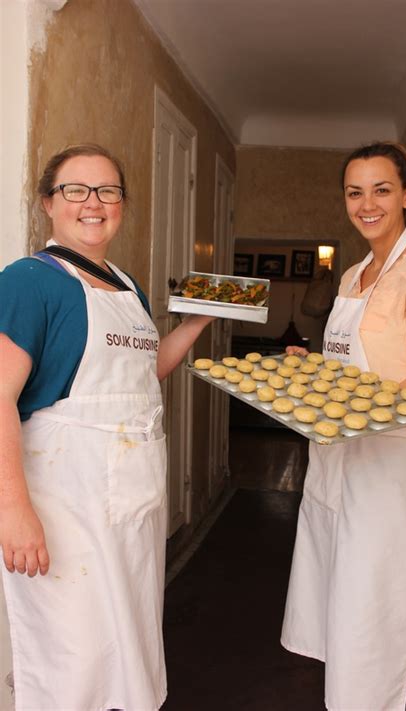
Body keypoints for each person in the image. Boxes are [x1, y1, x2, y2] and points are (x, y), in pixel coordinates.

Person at [0, 144, 214, 710]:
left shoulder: (126, 286)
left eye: (108, 191)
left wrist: (196, 322)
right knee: (74, 661)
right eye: (76, 189)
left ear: (121, 203)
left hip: (130, 505)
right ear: (49, 202)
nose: (93, 203)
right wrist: (13, 509)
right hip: (62, 505)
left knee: (129, 650)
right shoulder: (29, 280)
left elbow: (144, 377)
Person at [280, 142, 406, 710]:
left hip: (387, 471)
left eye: (381, 189)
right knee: (339, 614)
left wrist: (360, 414)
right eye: (355, 192)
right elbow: (348, 370)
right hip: (335, 462)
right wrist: (311, 371)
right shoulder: (354, 274)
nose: (367, 204)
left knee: (372, 623)